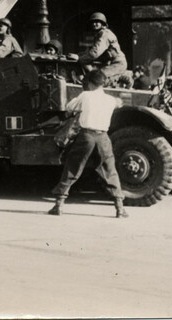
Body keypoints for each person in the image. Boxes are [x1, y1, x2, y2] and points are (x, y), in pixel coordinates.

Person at [48, 69, 128, 218]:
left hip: (86, 136)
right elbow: (119, 103)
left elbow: (70, 107)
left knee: (72, 168)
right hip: (103, 137)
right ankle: (119, 208)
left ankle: (59, 205)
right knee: (110, 170)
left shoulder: (85, 95)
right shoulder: (111, 100)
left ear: (90, 83)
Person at [78, 12, 127, 82]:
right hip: (111, 62)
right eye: (93, 22)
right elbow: (91, 50)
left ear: (103, 23)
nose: (94, 24)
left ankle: (125, 78)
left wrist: (80, 59)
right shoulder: (99, 34)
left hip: (117, 63)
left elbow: (95, 53)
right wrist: (79, 55)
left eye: (97, 22)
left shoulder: (105, 34)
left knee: (98, 78)